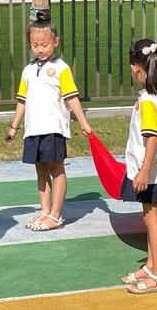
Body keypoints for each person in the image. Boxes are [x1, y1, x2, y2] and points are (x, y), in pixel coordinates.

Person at [5, 13, 93, 231]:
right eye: (34, 44)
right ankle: (44, 211)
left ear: (55, 42)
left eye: (44, 44)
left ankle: (56, 214)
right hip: (33, 130)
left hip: (53, 129)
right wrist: (14, 126)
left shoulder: (61, 68)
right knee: (40, 170)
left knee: (56, 168)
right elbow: (22, 100)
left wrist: (84, 122)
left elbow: (72, 97)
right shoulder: (27, 70)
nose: (39, 48)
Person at [121, 39, 157, 294]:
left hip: (149, 169)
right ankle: (151, 264)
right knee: (148, 216)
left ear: (136, 68)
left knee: (152, 219)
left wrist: (144, 170)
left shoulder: (148, 99)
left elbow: (152, 136)